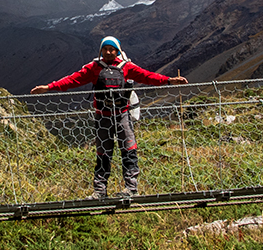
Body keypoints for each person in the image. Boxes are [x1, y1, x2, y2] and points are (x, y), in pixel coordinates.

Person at [30, 36, 188, 198]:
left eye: (112, 49)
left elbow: (147, 76)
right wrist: (49, 87)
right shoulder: (94, 68)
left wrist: (169, 81)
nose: (108, 52)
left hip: (120, 116)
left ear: (117, 51)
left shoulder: (125, 67)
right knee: (105, 154)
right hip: (105, 117)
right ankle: (101, 191)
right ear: (101, 50)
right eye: (105, 49)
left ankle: (129, 189)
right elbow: (73, 80)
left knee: (126, 152)